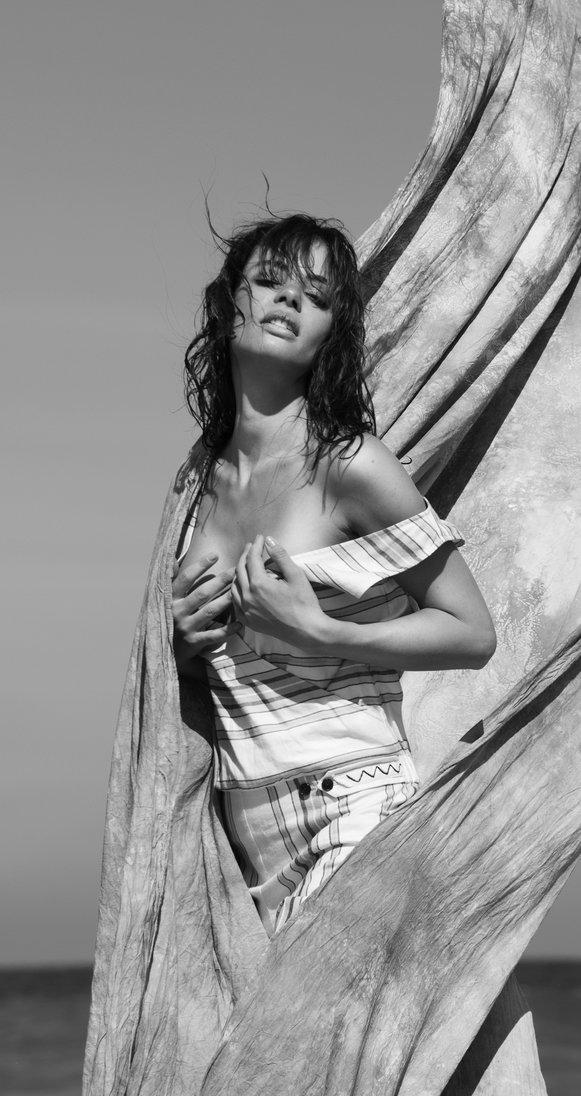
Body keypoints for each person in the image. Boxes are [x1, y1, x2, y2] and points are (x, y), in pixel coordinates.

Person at [170, 213, 496, 934]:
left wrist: (320, 630)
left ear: (329, 335)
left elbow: (472, 632)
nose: (290, 299)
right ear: (228, 303)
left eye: (316, 296)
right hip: (243, 834)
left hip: (353, 804)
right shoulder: (195, 487)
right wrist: (185, 648)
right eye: (270, 281)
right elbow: (208, 676)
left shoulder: (349, 464)